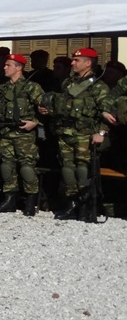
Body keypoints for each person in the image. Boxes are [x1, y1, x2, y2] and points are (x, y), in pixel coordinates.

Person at [40, 48, 109, 221]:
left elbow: (107, 112)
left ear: (88, 63)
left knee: (83, 169)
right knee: (67, 168)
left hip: (85, 135)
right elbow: (64, 106)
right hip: (66, 133)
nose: (72, 63)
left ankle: (85, 204)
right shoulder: (67, 83)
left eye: (77, 60)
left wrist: (101, 132)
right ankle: (71, 203)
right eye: (73, 60)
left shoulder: (98, 86)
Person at [0, 54, 44, 216]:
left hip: (24, 134)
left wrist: (35, 121)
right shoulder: (2, 88)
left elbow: (45, 109)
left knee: (27, 167)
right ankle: (10, 199)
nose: (4, 68)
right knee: (6, 166)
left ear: (19, 67)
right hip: (6, 132)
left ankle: (30, 200)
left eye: (8, 65)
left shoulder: (31, 87)